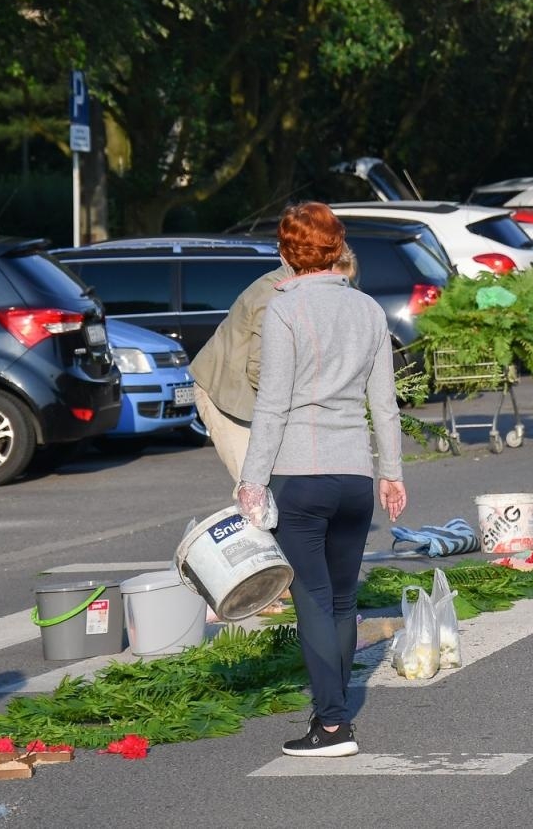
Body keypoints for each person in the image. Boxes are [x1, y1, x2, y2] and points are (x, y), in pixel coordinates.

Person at [237, 203, 405, 758]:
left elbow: (273, 405)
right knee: (341, 598)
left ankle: (332, 726)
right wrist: (392, 475)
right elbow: (385, 404)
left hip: (300, 475)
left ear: (286, 253)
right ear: (338, 247)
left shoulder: (283, 310)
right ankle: (332, 712)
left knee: (311, 598)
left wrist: (251, 481)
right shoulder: (369, 311)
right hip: (355, 475)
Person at [190, 255, 294, 487]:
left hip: (257, 397)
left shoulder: (306, 288)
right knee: (255, 487)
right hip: (226, 395)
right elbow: (260, 368)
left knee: (280, 488)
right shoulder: (274, 296)